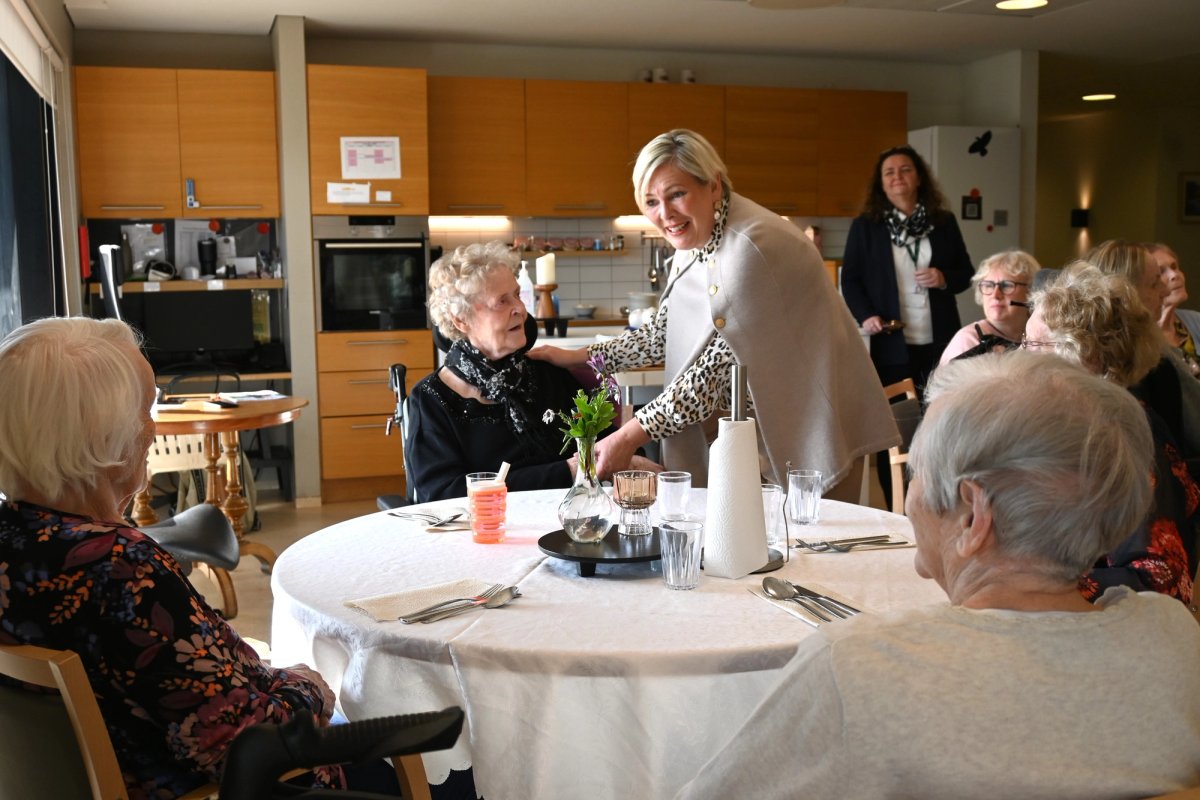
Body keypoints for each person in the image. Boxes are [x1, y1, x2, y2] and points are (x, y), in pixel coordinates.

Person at [676, 352, 1200, 799]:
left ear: (972, 517)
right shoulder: (1175, 639)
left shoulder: (863, 667)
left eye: (918, 472)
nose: (912, 496)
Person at [0, 317, 341, 799]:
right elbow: (239, 745)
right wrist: (307, 688)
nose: (153, 428)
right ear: (106, 436)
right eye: (146, 409)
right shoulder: (122, 568)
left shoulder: (15, 539)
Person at [530, 129, 897, 497]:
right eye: (651, 201)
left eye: (677, 194)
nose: (665, 214)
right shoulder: (695, 239)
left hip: (812, 418)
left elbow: (714, 373)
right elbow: (661, 335)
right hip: (760, 420)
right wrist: (580, 357)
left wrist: (628, 436)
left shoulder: (752, 247)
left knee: (810, 531)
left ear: (714, 186)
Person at [409, 241, 658, 501]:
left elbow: (607, 441)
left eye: (517, 295)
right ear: (461, 320)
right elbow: (444, 495)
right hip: (492, 524)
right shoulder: (432, 399)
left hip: (577, 516)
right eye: (502, 301)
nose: (520, 309)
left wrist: (631, 458)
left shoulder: (545, 373)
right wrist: (569, 471)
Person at [1024, 265, 1197, 603]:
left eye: (1031, 343)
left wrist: (1030, 585)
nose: (1020, 354)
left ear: (1081, 354)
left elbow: (1159, 580)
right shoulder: (1073, 421)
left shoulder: (1120, 435)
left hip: (1112, 623)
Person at [841, 144, 974, 391]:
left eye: (905, 170)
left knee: (941, 404)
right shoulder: (866, 227)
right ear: (881, 184)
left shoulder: (944, 222)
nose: (897, 176)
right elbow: (850, 280)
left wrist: (943, 278)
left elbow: (967, 273)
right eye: (889, 172)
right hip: (889, 340)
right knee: (900, 408)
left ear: (919, 178)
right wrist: (866, 315)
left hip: (940, 338)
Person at [1085, 238, 1200, 456]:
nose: (1165, 290)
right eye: (1155, 282)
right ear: (1127, 293)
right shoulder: (1157, 360)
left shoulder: (1081, 347)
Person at [938, 249, 1040, 363]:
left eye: (1006, 285)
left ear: (1032, 290)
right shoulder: (968, 340)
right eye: (988, 285)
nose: (995, 295)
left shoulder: (1041, 335)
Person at [1152, 242, 1200, 378]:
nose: (1174, 275)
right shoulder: (1138, 337)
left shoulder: (1196, 320)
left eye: (1174, 267)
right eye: (1161, 271)